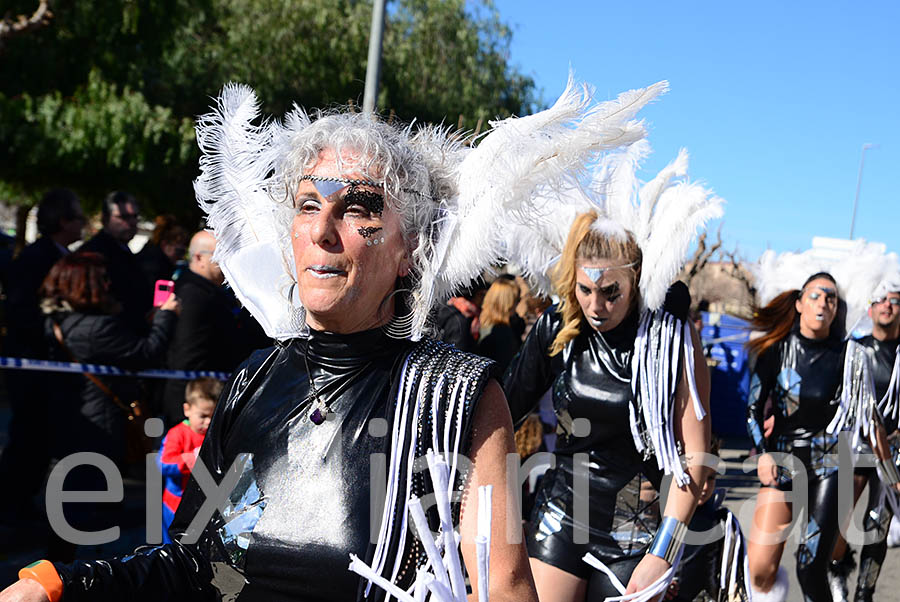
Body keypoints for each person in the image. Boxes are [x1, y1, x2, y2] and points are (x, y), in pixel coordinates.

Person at [504, 210, 713, 602]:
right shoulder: (560, 326)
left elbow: (695, 454)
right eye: (585, 289)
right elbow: (502, 408)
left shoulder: (671, 339)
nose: (595, 305)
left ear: (634, 280)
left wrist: (664, 553)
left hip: (636, 529)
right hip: (561, 513)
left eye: (610, 291)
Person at [37, 251, 179, 561]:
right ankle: (71, 574)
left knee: (75, 504)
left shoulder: (59, 322)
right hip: (98, 428)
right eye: (102, 278)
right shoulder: (96, 328)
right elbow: (147, 352)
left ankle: (65, 567)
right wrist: (166, 315)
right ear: (84, 284)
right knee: (84, 508)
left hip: (71, 423)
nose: (109, 282)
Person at [0, 189, 85, 518]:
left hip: (46, 363)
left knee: (38, 436)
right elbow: (21, 312)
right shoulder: (38, 257)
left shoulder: (56, 254)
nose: (82, 225)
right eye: (78, 218)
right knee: (28, 435)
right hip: (31, 362)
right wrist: (55, 329)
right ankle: (11, 504)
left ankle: (20, 500)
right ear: (63, 221)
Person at [828, 274, 900, 602]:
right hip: (856, 446)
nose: (888, 305)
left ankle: (864, 592)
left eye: (895, 300)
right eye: (882, 300)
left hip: (893, 451)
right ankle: (837, 572)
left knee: (877, 526)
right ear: (870, 310)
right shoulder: (855, 350)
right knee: (839, 522)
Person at [160, 230, 250, 428]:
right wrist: (190, 414)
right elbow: (188, 356)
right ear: (199, 257)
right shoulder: (194, 296)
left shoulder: (212, 292)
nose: (227, 262)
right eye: (220, 256)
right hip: (195, 410)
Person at [158, 377, 222, 544]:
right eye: (202, 416)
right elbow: (163, 464)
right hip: (176, 505)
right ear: (187, 409)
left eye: (213, 416)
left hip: (206, 504)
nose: (208, 422)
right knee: (173, 546)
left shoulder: (216, 436)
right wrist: (190, 458)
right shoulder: (177, 434)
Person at [80, 191, 153, 333]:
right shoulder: (94, 254)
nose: (131, 222)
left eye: (135, 216)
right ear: (105, 220)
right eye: (123, 217)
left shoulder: (124, 250)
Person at [477, 276, 522, 373]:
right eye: (516, 300)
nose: (517, 304)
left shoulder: (479, 324)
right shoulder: (502, 332)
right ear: (507, 303)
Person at [434, 280, 487, 352]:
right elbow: (458, 354)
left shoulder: (448, 307)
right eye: (482, 294)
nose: (483, 299)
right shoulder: (461, 320)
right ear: (477, 294)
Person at [135, 214, 189, 285]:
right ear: (165, 245)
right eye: (179, 252)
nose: (181, 257)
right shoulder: (154, 268)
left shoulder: (150, 257)